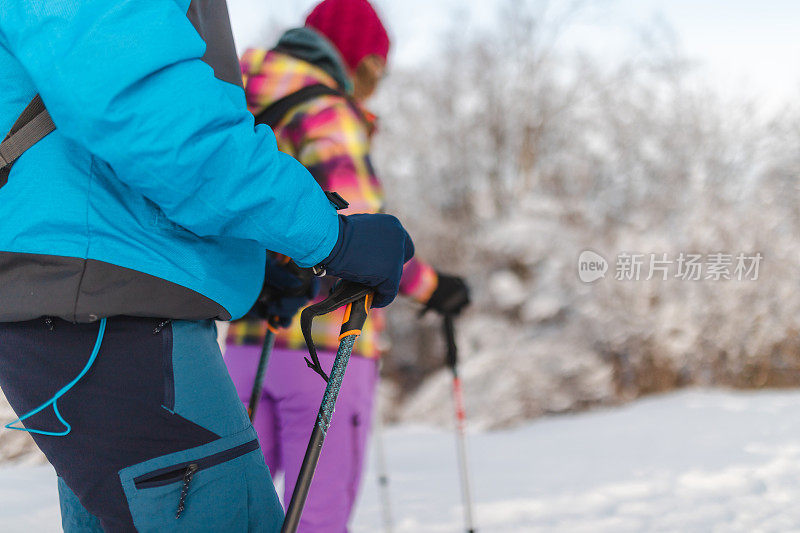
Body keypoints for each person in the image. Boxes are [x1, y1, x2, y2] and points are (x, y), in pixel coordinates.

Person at [0, 1, 415, 531]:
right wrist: (331, 235)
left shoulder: (267, 80)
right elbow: (149, 109)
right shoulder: (330, 112)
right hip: (115, 310)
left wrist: (244, 261)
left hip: (86, 294)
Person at [224, 1, 470, 530]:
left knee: (229, 516)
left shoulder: (234, 103)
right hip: (325, 349)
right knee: (317, 519)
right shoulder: (327, 112)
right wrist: (433, 288)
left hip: (244, 343)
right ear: (361, 63)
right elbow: (360, 239)